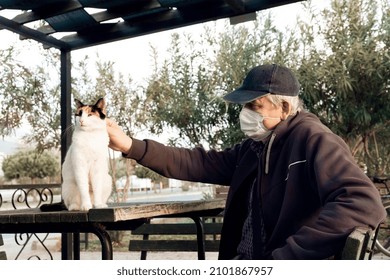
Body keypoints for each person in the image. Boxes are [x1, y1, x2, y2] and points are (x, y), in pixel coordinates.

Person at [106, 64, 386, 260]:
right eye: (244, 107)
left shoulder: (314, 139)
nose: (245, 114)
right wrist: (131, 146)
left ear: (284, 107)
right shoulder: (255, 148)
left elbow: (361, 203)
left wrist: (287, 258)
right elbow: (198, 162)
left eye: (254, 106)